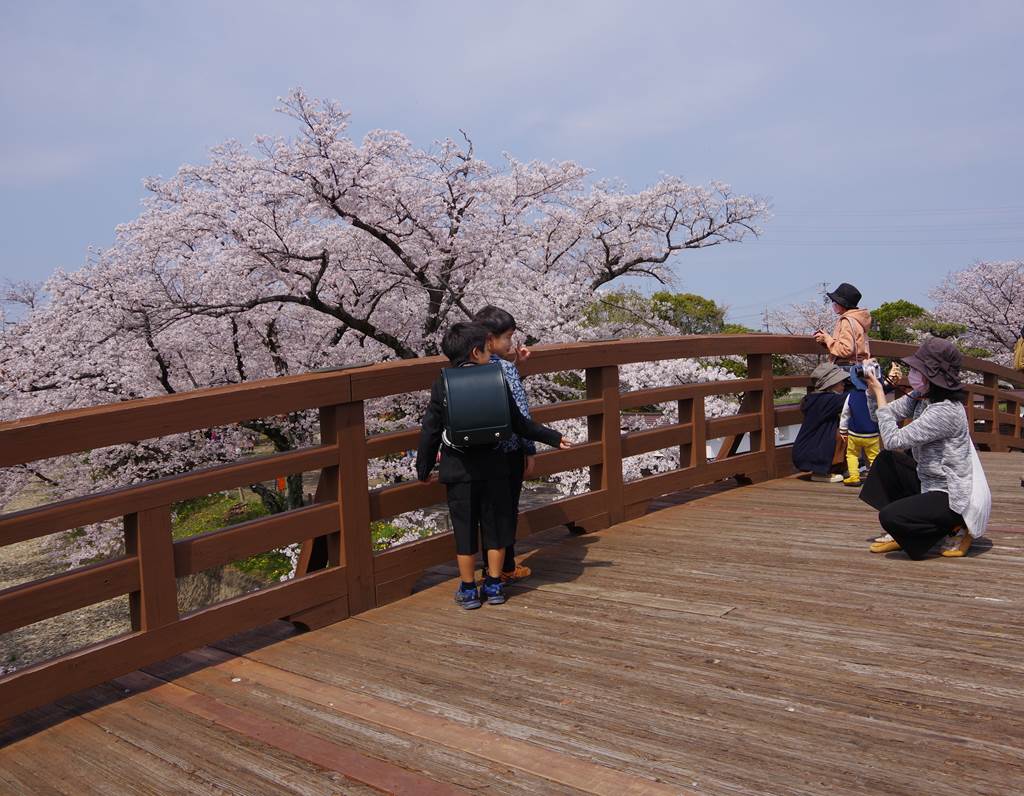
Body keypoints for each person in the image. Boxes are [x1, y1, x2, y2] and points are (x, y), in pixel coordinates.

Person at [417, 322, 570, 609]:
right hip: (495, 467)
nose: (491, 354)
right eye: (488, 349)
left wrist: (423, 468)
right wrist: (553, 437)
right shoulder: (496, 377)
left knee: (464, 531)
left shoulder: (442, 383)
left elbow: (430, 430)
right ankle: (494, 584)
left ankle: (467, 589)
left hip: (458, 470)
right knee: (495, 529)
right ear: (477, 352)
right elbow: (519, 423)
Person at [859, 337, 991, 559]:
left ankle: (956, 525)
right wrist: (873, 392)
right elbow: (880, 416)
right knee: (886, 461)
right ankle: (909, 528)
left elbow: (893, 439)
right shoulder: (922, 398)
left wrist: (881, 394)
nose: (913, 373)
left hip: (948, 493)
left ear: (932, 376)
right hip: (926, 480)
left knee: (890, 517)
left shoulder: (945, 411)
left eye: (917, 369)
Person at [473, 305, 534, 585]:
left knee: (487, 511)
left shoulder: (468, 366)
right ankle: (506, 566)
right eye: (508, 337)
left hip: (478, 453)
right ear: (489, 338)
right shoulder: (506, 369)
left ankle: (488, 568)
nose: (511, 344)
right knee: (506, 510)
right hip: (508, 452)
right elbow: (520, 412)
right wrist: (529, 450)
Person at [792, 363, 850, 482]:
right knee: (843, 433)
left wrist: (887, 384)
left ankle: (834, 467)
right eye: (840, 381)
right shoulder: (825, 401)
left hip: (808, 451)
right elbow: (854, 398)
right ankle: (822, 471)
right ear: (831, 384)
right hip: (813, 454)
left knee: (841, 431)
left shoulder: (818, 399)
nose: (844, 384)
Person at [839, 367, 882, 487]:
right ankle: (877, 478)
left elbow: (845, 413)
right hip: (872, 433)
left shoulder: (851, 395)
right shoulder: (877, 395)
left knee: (852, 454)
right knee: (874, 457)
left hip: (854, 433)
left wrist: (843, 430)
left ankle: (854, 477)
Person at [813, 283, 872, 367]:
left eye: (835, 302)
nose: (833, 304)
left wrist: (827, 339)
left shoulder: (847, 321)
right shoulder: (857, 320)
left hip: (847, 369)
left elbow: (846, 350)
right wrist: (826, 341)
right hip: (859, 366)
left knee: (819, 376)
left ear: (843, 304)